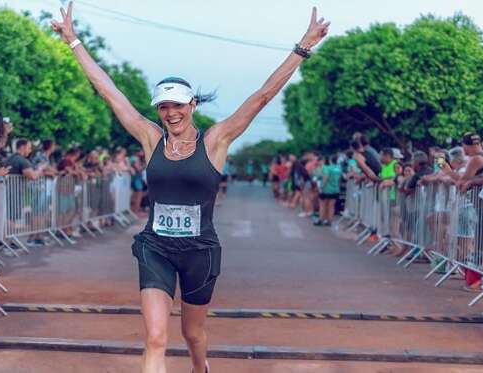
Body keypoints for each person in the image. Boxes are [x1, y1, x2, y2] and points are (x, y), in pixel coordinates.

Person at [51, 3, 330, 372]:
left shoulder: (215, 141)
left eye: (178, 105)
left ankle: (201, 368)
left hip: (200, 250)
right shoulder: (150, 138)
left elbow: (261, 96)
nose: (171, 113)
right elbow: (109, 91)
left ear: (193, 105)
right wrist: (73, 42)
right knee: (155, 338)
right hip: (156, 248)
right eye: (164, 107)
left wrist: (303, 48)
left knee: (193, 334)